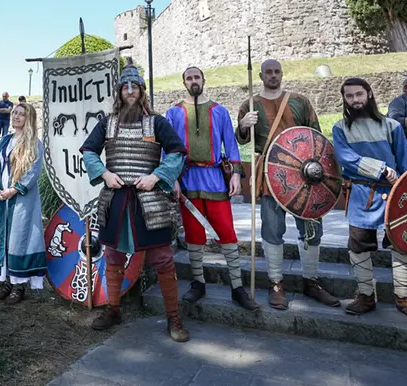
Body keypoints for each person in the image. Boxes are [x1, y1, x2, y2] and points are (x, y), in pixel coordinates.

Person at [80, 64, 191, 342]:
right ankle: (113, 309)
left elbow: (177, 152)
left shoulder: (157, 122)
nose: (130, 91)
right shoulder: (107, 123)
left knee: (163, 259)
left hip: (149, 201)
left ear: (142, 91)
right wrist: (105, 173)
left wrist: (157, 177)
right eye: (125, 87)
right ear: (119, 92)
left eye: (135, 86)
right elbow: (89, 151)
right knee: (113, 257)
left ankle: (174, 317)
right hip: (116, 199)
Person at [236, 59, 338, 310]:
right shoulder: (250, 105)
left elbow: (317, 138)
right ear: (260, 75)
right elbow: (242, 142)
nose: (273, 75)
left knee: (312, 229)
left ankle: (311, 281)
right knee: (272, 230)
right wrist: (243, 125)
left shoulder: (300, 101)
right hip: (272, 177)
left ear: (282, 74)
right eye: (268, 72)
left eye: (277, 71)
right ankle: (276, 283)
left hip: (307, 177)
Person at [333, 78, 407, 322]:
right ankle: (366, 296)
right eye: (350, 96)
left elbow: (405, 162)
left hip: (395, 194)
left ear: (370, 94)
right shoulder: (340, 128)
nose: (355, 100)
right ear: (344, 99)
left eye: (359, 94)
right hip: (361, 194)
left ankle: (404, 298)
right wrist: (381, 169)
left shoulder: (391, 126)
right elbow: (345, 157)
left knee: (402, 243)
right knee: (358, 245)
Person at [165, 67, 259, 310]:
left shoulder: (219, 112)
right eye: (189, 78)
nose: (193, 81)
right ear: (184, 82)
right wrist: (172, 178)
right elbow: (168, 149)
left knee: (226, 231)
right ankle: (198, 283)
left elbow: (231, 144)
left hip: (215, 179)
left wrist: (236, 175)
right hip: (187, 180)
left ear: (203, 80)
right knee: (194, 234)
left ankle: (238, 287)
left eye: (197, 77)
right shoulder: (174, 113)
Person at [0, 103, 47, 304]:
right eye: (15, 113)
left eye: (22, 114)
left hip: (21, 200)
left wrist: (14, 189)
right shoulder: (5, 141)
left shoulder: (35, 144)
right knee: (3, 238)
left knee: (19, 238)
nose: (17, 117)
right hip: (1, 198)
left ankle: (19, 285)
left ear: (29, 118)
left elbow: (33, 172)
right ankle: (7, 282)